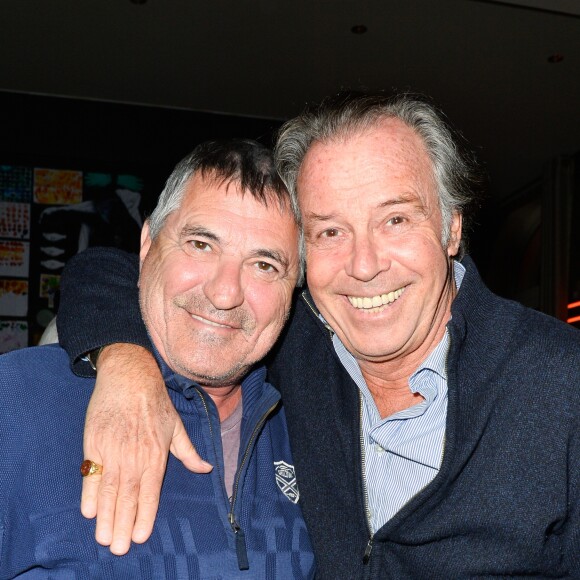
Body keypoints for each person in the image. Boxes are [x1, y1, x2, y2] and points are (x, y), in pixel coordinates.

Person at [56, 93, 580, 578]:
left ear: (452, 228)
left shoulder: (559, 382)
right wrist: (127, 364)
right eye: (330, 231)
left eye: (394, 219)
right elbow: (111, 272)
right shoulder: (292, 340)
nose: (365, 264)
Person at [0, 139, 315, 579]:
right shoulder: (19, 401)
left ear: (297, 284)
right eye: (201, 244)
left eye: (264, 265)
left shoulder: (309, 421)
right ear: (147, 243)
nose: (225, 293)